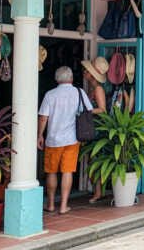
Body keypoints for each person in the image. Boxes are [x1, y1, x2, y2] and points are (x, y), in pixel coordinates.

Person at [38, 66, 92, 214]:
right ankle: (63, 206)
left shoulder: (50, 95)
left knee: (51, 172)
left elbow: (43, 117)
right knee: (67, 171)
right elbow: (89, 110)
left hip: (53, 139)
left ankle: (50, 204)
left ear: (56, 79)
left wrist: (39, 135)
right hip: (72, 139)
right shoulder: (79, 92)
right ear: (71, 79)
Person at [81, 57, 109, 204]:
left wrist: (86, 111)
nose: (84, 72)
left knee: (95, 160)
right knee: (92, 160)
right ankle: (97, 190)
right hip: (92, 127)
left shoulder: (98, 89)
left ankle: (98, 192)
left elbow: (102, 109)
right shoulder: (91, 89)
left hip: (96, 129)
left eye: (87, 71)